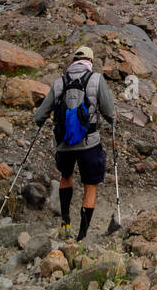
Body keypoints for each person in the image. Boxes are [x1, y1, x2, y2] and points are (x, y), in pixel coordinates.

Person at [34, 44, 116, 241]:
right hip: (90, 143)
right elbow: (109, 112)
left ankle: (65, 222)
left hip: (64, 144)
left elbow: (40, 116)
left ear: (72, 62)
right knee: (90, 184)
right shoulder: (96, 80)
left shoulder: (59, 83)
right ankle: (82, 235)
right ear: (90, 62)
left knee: (66, 176)